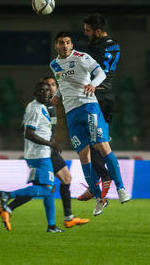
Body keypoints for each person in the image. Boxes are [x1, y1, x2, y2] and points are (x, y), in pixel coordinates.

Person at [50, 31, 130, 216]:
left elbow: (100, 73)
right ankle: (100, 199)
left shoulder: (82, 57)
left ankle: (121, 188)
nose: (65, 45)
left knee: (102, 146)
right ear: (56, 45)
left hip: (88, 107)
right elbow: (63, 83)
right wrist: (57, 95)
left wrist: (93, 85)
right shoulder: (54, 64)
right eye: (61, 43)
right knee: (84, 157)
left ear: (71, 45)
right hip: (71, 114)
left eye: (68, 42)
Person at [0, 81, 64, 233]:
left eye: (48, 89)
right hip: (39, 154)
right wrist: (49, 143)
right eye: (42, 90)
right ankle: (7, 195)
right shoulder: (35, 109)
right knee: (47, 189)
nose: (46, 92)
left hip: (38, 153)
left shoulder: (40, 107)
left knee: (47, 188)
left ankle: (52, 225)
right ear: (36, 93)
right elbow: (29, 133)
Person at [78, 13, 125, 202]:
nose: (86, 34)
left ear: (98, 31)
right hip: (109, 96)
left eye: (88, 31)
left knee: (88, 142)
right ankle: (95, 185)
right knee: (101, 140)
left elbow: (87, 69)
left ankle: (103, 179)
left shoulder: (94, 47)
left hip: (94, 95)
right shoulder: (116, 45)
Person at [42, 76, 89, 227]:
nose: (51, 87)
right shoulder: (40, 106)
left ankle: (68, 218)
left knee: (64, 180)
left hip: (49, 149)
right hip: (42, 151)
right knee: (43, 188)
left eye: (53, 84)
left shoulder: (53, 106)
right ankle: (7, 204)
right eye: (48, 85)